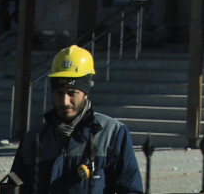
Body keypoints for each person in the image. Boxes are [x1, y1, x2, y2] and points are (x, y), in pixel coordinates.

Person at [9, 46, 144, 194]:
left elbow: (131, 189)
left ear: (85, 93)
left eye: (72, 93)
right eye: (59, 93)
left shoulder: (113, 134)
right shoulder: (34, 138)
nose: (65, 101)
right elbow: (13, 188)